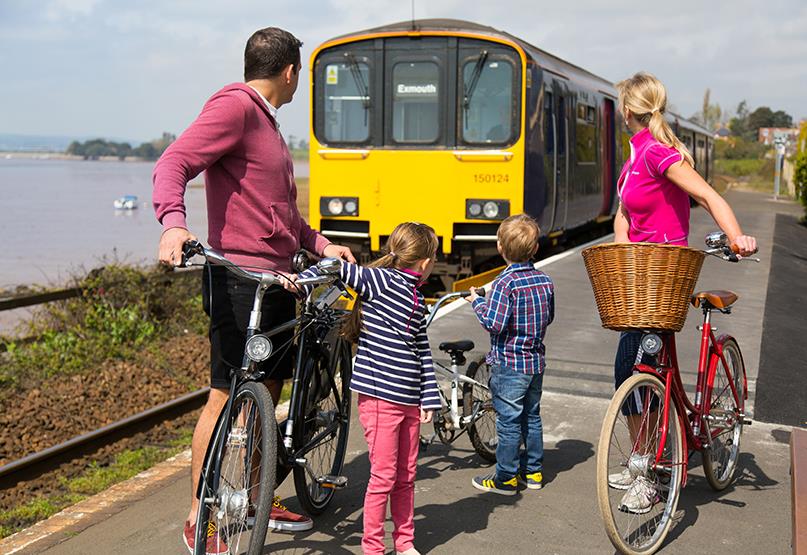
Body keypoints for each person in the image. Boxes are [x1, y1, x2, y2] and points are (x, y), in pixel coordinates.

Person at [151, 27, 355, 554]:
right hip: (240, 283)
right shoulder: (235, 109)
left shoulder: (266, 123)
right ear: (290, 72)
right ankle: (202, 518)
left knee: (267, 397)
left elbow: (279, 215)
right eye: (300, 74)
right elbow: (173, 163)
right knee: (225, 394)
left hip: (281, 279)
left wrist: (321, 244)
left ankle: (259, 495)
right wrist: (173, 223)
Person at [608, 72, 757, 514]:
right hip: (641, 274)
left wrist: (737, 237)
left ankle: (650, 475)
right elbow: (622, 214)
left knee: (646, 365)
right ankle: (641, 458)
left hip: (667, 271)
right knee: (628, 368)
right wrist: (623, 254)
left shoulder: (659, 154)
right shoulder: (633, 158)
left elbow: (710, 198)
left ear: (628, 111)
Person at [295, 222, 442, 555]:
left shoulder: (417, 298)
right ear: (424, 261)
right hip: (379, 399)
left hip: (409, 399)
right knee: (384, 476)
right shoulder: (381, 281)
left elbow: (421, 348)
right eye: (434, 258)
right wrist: (300, 282)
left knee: (406, 475)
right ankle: (373, 547)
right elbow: (334, 266)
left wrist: (429, 396)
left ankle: (404, 543)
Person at [465, 214, 554, 495]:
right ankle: (535, 473)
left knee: (509, 421)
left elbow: (494, 323)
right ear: (536, 249)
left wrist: (477, 302)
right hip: (535, 362)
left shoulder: (505, 285)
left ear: (500, 249)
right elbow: (548, 317)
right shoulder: (545, 281)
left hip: (509, 364)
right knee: (532, 417)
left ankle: (505, 477)